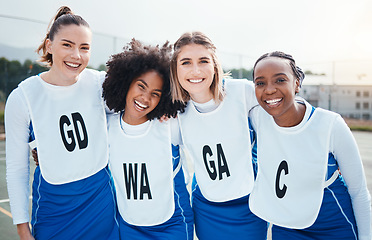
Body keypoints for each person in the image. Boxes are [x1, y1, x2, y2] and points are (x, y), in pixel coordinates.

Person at [5, 6, 119, 240]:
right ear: (49, 45)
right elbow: (17, 170)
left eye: (84, 48)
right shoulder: (23, 97)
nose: (76, 55)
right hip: (53, 212)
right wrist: (23, 230)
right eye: (67, 44)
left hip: (101, 207)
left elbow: (138, 107)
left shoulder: (100, 83)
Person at [248, 51, 371, 240]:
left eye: (280, 80)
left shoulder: (330, 125)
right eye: (260, 83)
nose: (269, 89)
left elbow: (359, 192)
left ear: (296, 83)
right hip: (287, 227)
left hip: (334, 225)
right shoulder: (257, 117)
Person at [169, 31, 267, 240]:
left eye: (203, 61)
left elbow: (285, 109)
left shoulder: (242, 92)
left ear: (214, 65)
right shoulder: (175, 112)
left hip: (250, 206)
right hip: (207, 210)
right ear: (175, 69)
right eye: (186, 62)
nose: (195, 70)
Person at [102, 39, 194, 239]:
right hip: (129, 225)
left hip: (173, 224)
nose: (145, 98)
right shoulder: (106, 127)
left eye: (155, 94)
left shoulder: (170, 125)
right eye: (141, 86)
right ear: (125, 82)